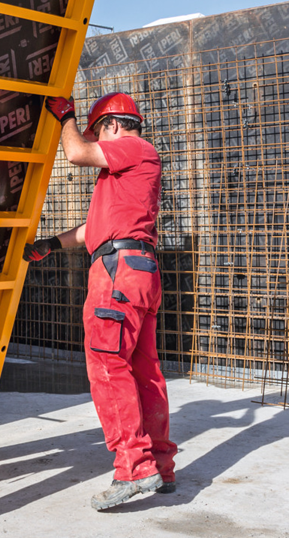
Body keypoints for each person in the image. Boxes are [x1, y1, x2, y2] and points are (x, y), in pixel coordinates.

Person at [24, 91, 177, 510]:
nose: (96, 141)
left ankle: (133, 466)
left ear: (111, 126)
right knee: (143, 371)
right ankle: (160, 466)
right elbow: (94, 228)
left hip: (117, 273)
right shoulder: (124, 175)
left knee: (107, 366)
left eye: (98, 132)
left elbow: (75, 153)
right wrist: (51, 245)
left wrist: (66, 117)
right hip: (136, 270)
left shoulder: (132, 147)